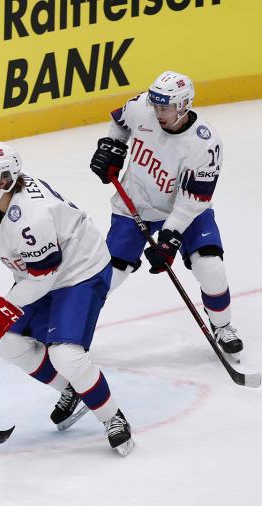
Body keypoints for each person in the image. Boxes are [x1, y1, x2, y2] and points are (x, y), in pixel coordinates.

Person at [0, 141, 134, 456]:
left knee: (66, 355)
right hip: (44, 274)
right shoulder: (0, 194)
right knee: (9, 343)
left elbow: (43, 276)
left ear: (4, 180)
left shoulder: (33, 216)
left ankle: (113, 417)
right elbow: (16, 242)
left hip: (80, 274)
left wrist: (3, 310)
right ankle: (74, 390)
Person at [89, 70, 242, 359]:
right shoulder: (141, 107)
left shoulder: (205, 144)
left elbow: (191, 201)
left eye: (166, 107)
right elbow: (120, 121)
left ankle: (222, 325)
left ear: (184, 105)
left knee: (210, 267)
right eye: (156, 105)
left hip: (187, 211)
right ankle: (70, 330)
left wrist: (169, 240)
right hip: (136, 203)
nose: (158, 112)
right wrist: (113, 146)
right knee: (108, 277)